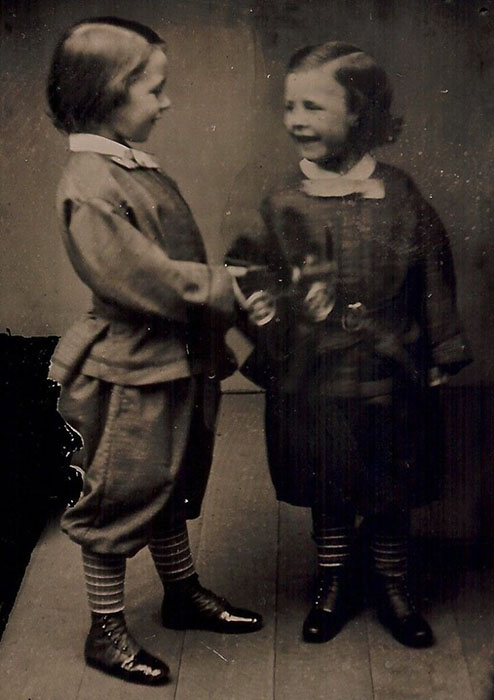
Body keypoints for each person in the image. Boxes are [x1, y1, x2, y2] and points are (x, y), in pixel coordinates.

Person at [227, 41, 471, 649]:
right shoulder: (282, 202)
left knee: (391, 478)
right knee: (327, 475)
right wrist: (277, 325)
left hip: (392, 364)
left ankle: (392, 584)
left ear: (359, 111)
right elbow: (247, 271)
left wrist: (442, 349)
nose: (297, 120)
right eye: (289, 106)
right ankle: (333, 580)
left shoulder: (401, 194)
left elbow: (433, 271)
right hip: (315, 370)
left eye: (313, 105)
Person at [47, 16, 262, 686]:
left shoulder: (133, 168)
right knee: (121, 494)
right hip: (133, 367)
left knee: (170, 482)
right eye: (154, 90)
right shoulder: (90, 184)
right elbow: (142, 280)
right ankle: (105, 630)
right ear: (106, 92)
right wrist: (225, 286)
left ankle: (180, 591)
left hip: (178, 358)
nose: (166, 102)